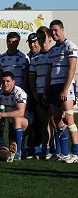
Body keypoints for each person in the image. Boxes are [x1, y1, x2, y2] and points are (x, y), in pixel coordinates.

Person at [46, 20, 78, 163]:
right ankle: (64, 153)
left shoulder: (70, 46)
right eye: (51, 31)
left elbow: (72, 68)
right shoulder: (52, 50)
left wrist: (65, 89)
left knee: (69, 120)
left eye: (56, 30)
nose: (53, 33)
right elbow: (49, 71)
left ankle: (76, 153)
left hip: (66, 87)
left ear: (62, 29)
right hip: (53, 86)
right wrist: (47, 89)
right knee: (57, 120)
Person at [0, 71, 30, 161]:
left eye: (8, 81)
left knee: (17, 119)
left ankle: (18, 154)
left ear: (13, 82)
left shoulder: (19, 92)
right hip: (11, 125)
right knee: (12, 149)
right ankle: (33, 150)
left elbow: (20, 112)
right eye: (3, 81)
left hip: (25, 121)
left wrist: (1, 114)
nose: (5, 84)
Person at [29, 27, 53, 159]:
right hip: (39, 94)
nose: (41, 40)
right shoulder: (35, 58)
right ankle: (46, 149)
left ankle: (60, 150)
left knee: (56, 123)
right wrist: (34, 92)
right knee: (43, 123)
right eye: (39, 38)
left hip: (51, 93)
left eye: (43, 37)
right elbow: (32, 76)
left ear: (49, 37)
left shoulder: (55, 53)